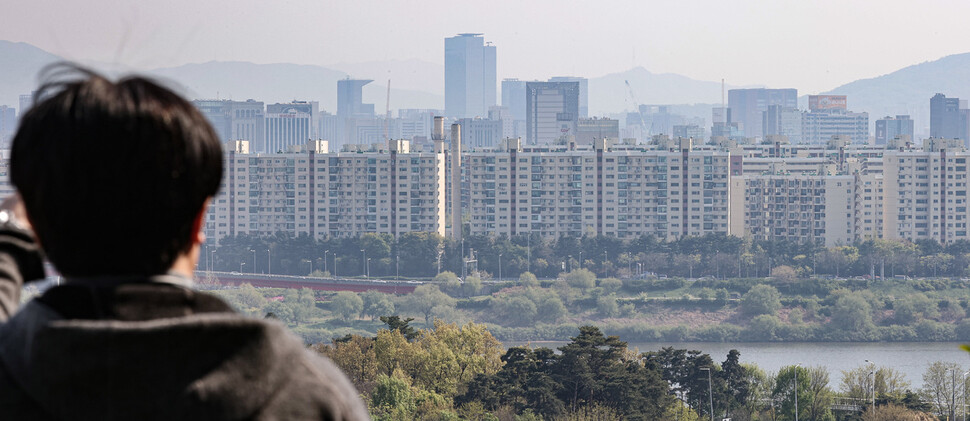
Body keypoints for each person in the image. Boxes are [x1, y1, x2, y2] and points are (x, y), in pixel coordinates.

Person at [0, 65, 369, 420]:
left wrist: (10, 234)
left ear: (42, 229)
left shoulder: (13, 375)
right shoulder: (311, 397)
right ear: (199, 221)